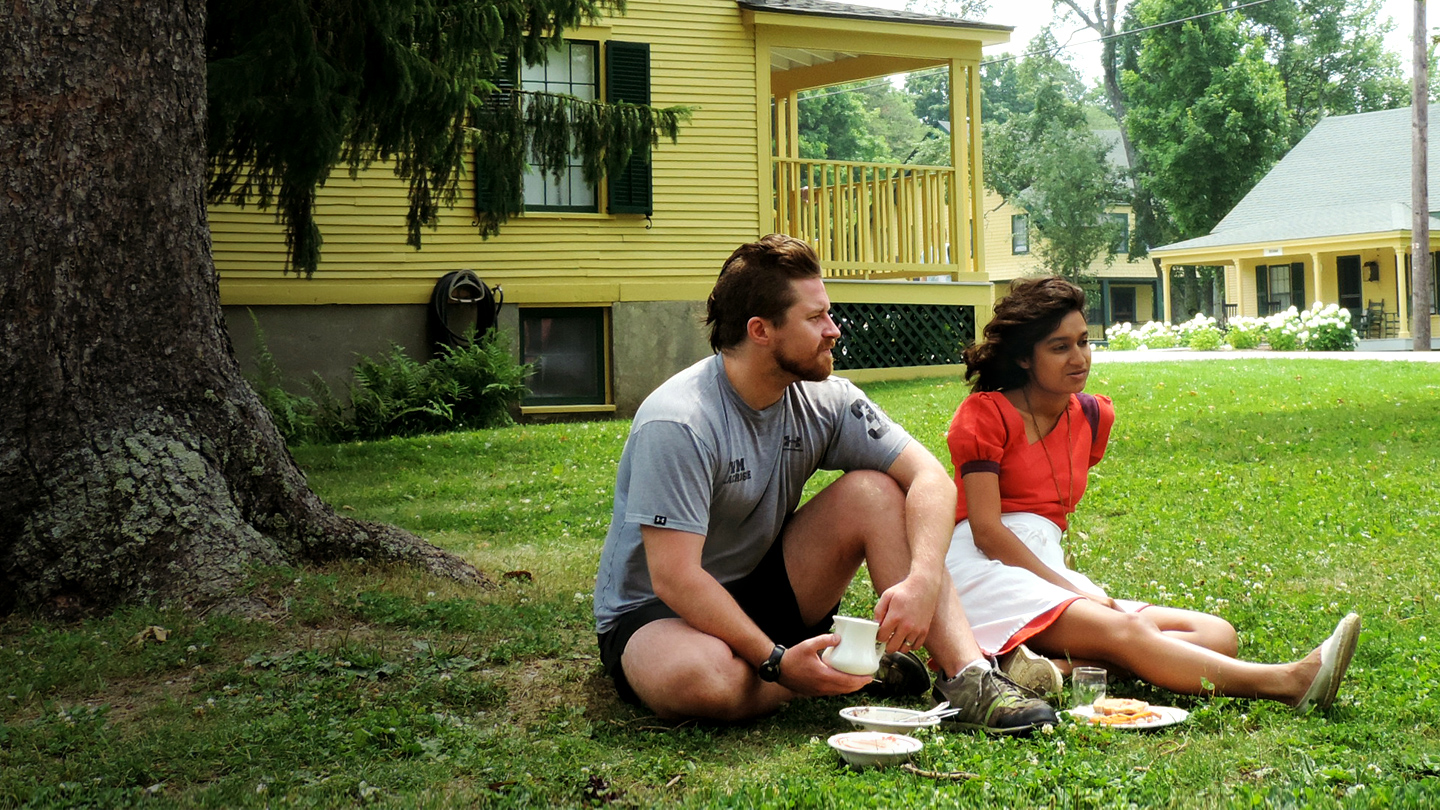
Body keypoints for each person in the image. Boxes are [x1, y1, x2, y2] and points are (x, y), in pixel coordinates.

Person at [592, 234, 1057, 731]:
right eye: (815, 319)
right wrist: (774, 662)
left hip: (759, 587)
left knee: (874, 492)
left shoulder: (826, 398)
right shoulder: (680, 421)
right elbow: (675, 577)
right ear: (760, 330)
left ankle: (968, 678)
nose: (834, 330)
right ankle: (830, 669)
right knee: (706, 682)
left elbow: (931, 478)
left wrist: (921, 579)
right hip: (658, 613)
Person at [944, 276, 1359, 713]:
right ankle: (1287, 682)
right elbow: (988, 532)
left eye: (1084, 341)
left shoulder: (1092, 417)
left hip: (1040, 561)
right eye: (1059, 346)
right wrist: (1072, 589)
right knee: (1133, 633)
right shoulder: (985, 415)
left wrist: (1068, 585)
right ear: (1025, 358)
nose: (1079, 357)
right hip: (984, 567)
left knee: (1217, 634)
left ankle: (1051, 670)